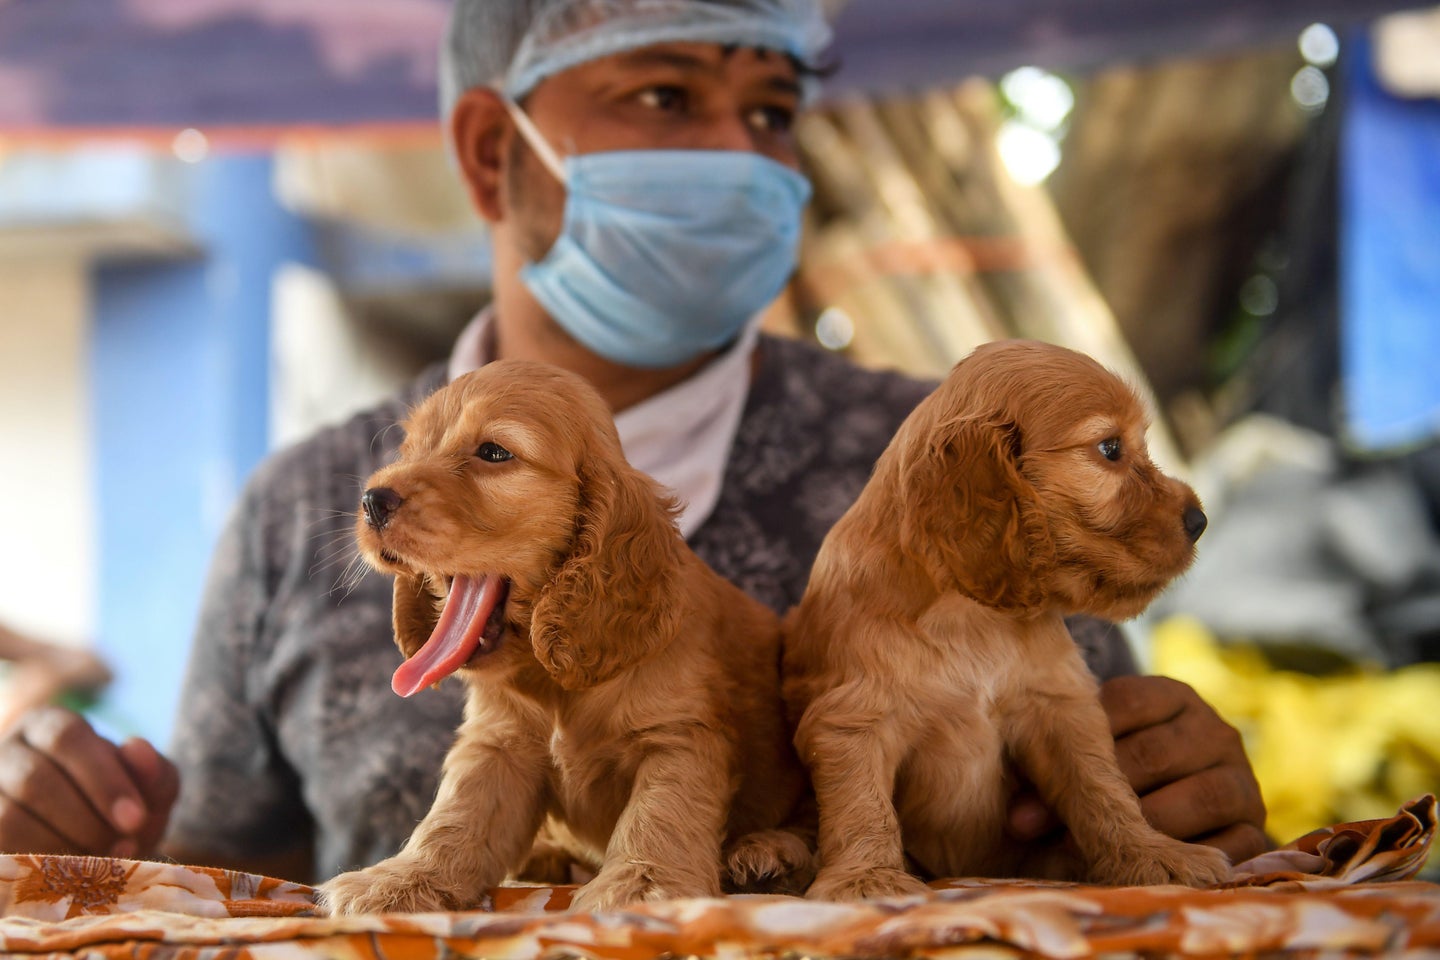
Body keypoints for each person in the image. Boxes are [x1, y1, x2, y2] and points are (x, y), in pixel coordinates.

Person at [0, 0, 1265, 884]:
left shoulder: (941, 461)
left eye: (770, 110)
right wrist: (80, 840)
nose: (744, 157)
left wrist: (1193, 803)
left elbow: (1109, 805)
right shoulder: (309, 510)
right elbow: (236, 890)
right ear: (496, 155)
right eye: (666, 94)